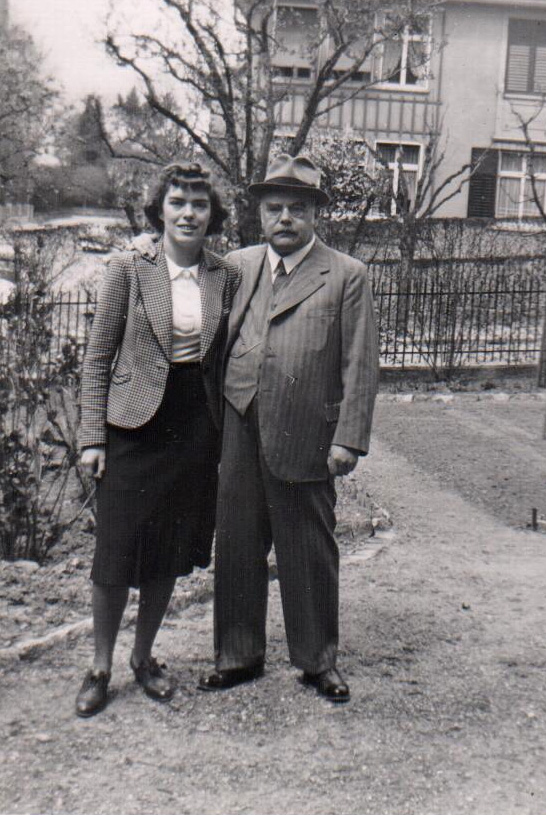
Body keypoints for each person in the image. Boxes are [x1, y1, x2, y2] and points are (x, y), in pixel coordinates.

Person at [197, 153, 380, 702]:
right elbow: (181, 276)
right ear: (259, 212)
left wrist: (349, 437)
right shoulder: (236, 265)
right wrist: (143, 244)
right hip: (240, 422)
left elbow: (360, 362)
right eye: (274, 208)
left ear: (315, 215)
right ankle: (238, 654)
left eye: (296, 209)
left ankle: (317, 659)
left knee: (308, 549)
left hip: (308, 432)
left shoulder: (345, 274)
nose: (284, 219)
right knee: (235, 543)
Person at [74, 162, 240, 718]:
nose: (189, 212)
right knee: (116, 550)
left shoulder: (224, 275)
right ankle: (99, 666)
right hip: (131, 424)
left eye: (199, 203)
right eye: (178, 202)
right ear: (160, 210)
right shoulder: (127, 267)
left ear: (212, 214)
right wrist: (92, 438)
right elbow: (97, 360)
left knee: (167, 552)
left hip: (193, 424)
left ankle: (144, 658)